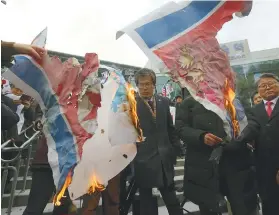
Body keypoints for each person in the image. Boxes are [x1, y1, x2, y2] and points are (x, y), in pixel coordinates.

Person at [176, 95, 259, 215]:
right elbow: (180, 128)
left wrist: (242, 136)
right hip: (204, 164)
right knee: (209, 206)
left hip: (237, 163)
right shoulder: (190, 102)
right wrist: (201, 136)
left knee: (243, 206)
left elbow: (253, 122)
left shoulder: (235, 98)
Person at [134, 69, 183, 215]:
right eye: (141, 84)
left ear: (153, 84)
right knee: (146, 203)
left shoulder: (163, 102)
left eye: (147, 84)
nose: (144, 87)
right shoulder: (132, 105)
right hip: (143, 160)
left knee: (172, 200)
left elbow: (170, 129)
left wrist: (175, 150)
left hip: (164, 159)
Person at [231, 73, 279, 215]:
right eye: (263, 86)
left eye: (271, 84)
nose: (267, 87)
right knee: (269, 205)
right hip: (264, 169)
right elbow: (252, 128)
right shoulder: (254, 111)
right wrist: (237, 140)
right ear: (258, 91)